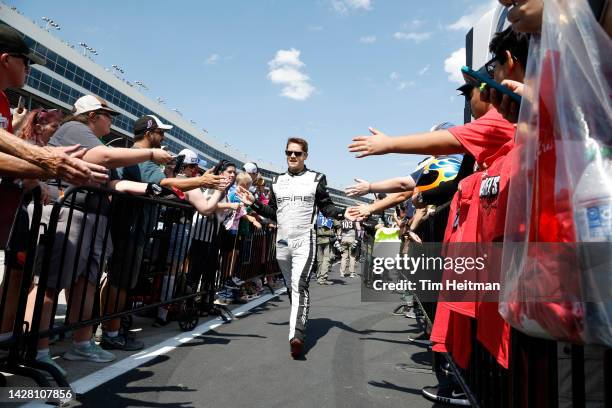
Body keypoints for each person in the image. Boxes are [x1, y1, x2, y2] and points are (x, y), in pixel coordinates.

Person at [100, 116, 225, 350]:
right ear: (149, 134)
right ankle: (112, 332)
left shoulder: (135, 157)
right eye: (161, 133)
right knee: (122, 281)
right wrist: (202, 180)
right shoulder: (143, 161)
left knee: (117, 279)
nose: (164, 137)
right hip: (131, 226)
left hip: (129, 224)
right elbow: (167, 185)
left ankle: (107, 327)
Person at [236, 137, 355, 358]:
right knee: (292, 287)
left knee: (299, 284)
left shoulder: (316, 178)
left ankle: (296, 336)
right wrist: (253, 203)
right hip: (282, 242)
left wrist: (342, 213)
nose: (292, 156)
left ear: (305, 156)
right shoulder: (277, 181)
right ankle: (299, 318)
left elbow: (326, 206)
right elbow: (273, 213)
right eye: (289, 152)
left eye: (297, 153)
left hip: (305, 240)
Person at [315, 212, 336, 285]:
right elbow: (337, 225)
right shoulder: (331, 214)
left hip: (318, 239)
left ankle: (318, 276)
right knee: (326, 259)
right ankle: (323, 278)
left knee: (319, 259)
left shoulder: (317, 214)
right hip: (328, 239)